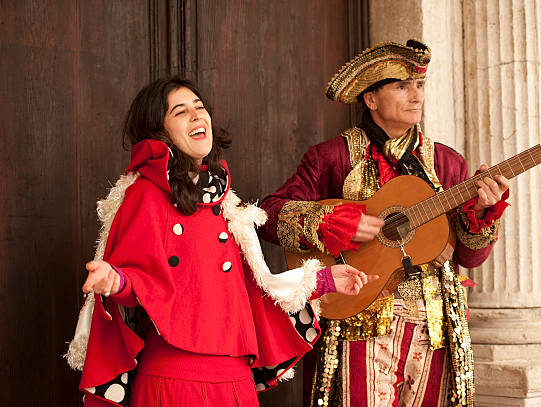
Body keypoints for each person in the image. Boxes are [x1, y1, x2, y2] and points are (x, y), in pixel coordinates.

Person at [71, 77, 377, 407]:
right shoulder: (145, 194)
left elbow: (250, 291)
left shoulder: (225, 202)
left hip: (236, 383)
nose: (197, 116)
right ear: (159, 132)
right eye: (180, 112)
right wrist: (114, 280)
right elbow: (142, 281)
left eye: (200, 108)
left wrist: (322, 280)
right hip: (175, 382)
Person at [257, 40, 510, 407]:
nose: (416, 96)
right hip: (359, 319)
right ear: (371, 99)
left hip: (434, 325)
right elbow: (269, 214)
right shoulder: (333, 157)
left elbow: (471, 259)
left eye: (420, 85)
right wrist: (331, 221)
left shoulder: (446, 163)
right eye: (401, 86)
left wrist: (483, 211)